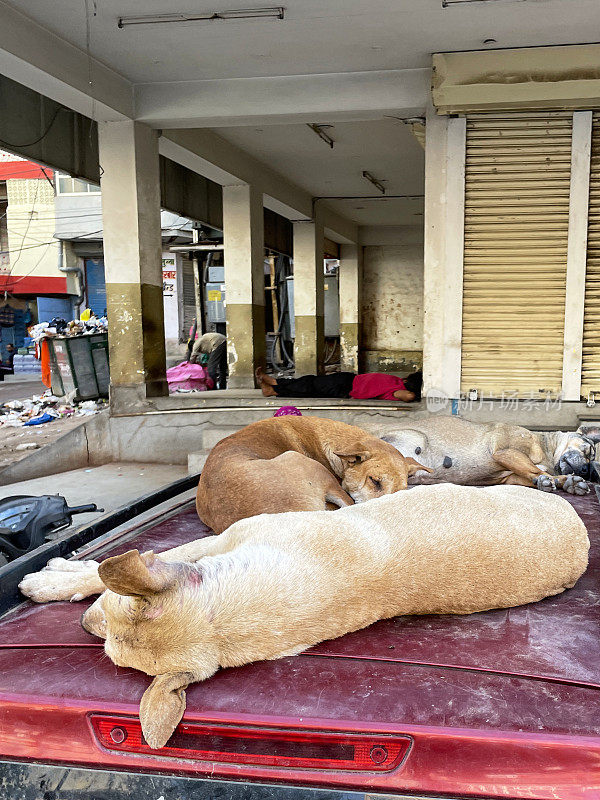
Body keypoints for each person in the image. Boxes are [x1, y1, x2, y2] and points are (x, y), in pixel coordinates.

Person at [255, 368, 422, 402]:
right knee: (311, 387)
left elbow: (409, 396)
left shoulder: (399, 390)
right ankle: (273, 391)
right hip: (348, 380)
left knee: (309, 384)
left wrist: (414, 393)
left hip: (346, 387)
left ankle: (274, 383)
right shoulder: (398, 381)